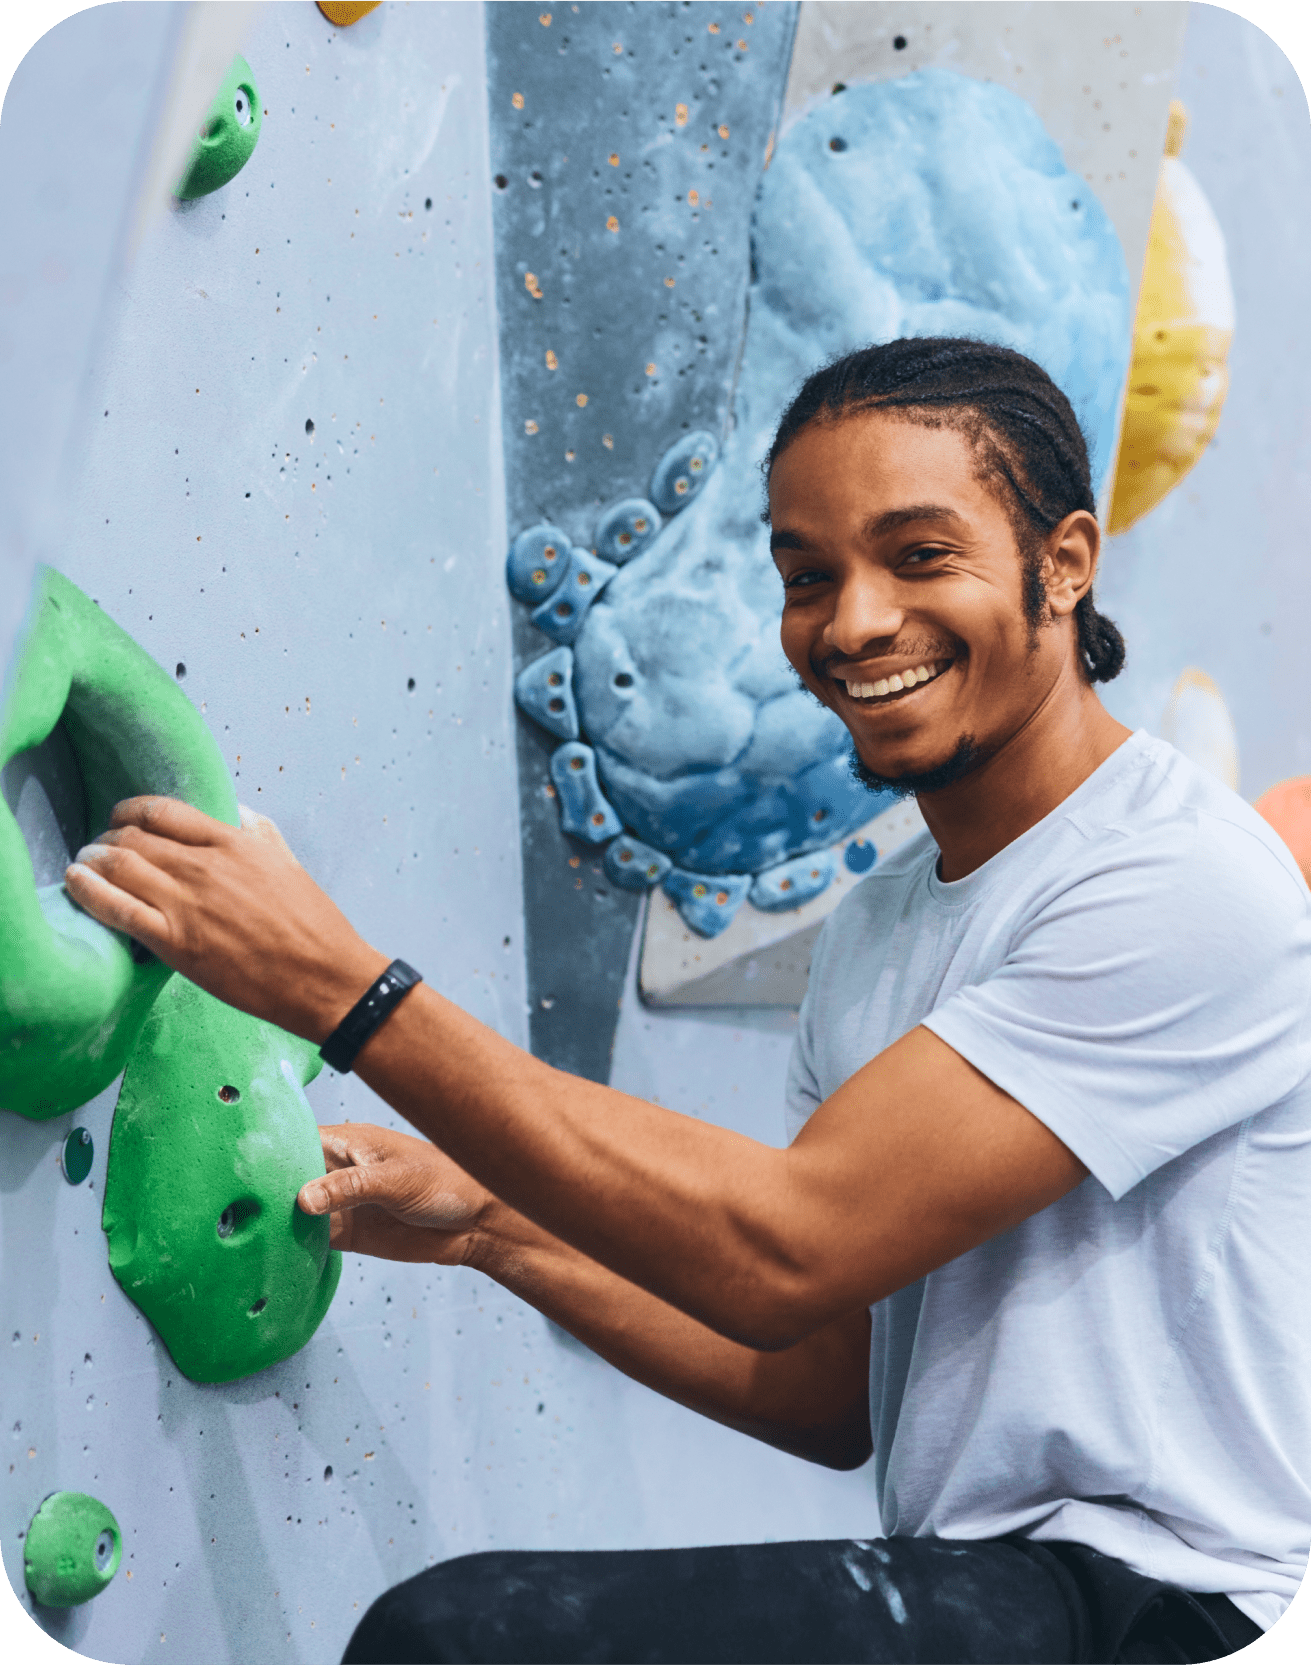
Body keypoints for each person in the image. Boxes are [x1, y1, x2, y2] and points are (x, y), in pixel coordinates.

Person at [65, 339, 1309, 1664]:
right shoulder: (882, 926)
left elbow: (787, 1247)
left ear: (1061, 563)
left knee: (459, 1642)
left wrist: (345, 995)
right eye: (806, 576)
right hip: (981, 1581)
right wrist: (490, 1222)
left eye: (918, 556)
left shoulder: (1178, 880)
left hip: (1174, 1607)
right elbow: (827, 1383)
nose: (853, 623)